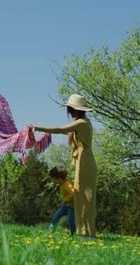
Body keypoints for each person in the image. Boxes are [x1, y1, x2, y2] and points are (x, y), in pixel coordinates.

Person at [33, 94, 98, 238]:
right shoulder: (80, 122)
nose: (69, 111)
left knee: (86, 198)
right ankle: (83, 232)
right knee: (81, 197)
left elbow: (60, 129)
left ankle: (87, 233)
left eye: (70, 108)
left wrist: (38, 128)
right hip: (83, 161)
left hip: (86, 161)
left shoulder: (82, 122)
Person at [48, 165, 75, 235]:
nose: (52, 180)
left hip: (71, 206)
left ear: (58, 178)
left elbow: (73, 193)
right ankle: (50, 232)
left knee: (71, 221)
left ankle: (73, 235)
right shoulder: (62, 184)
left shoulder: (67, 184)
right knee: (56, 217)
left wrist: (65, 199)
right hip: (65, 206)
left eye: (52, 178)